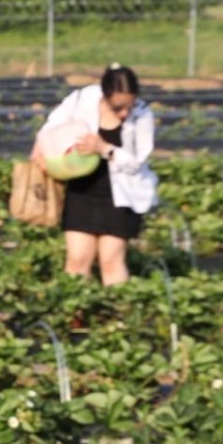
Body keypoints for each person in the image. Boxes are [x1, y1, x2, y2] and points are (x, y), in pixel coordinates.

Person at [31, 63, 158, 285]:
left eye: (129, 106)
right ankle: (76, 305)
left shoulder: (142, 114)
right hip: (81, 191)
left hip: (121, 196)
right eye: (118, 107)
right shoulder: (82, 100)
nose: (125, 113)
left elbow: (137, 162)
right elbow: (49, 128)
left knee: (111, 261)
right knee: (77, 260)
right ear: (105, 95)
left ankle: (118, 306)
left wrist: (105, 148)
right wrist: (41, 152)